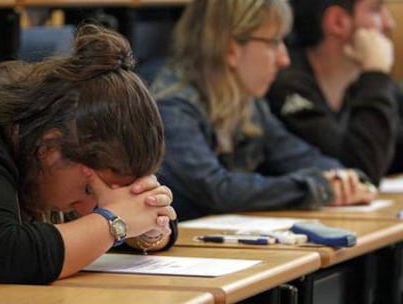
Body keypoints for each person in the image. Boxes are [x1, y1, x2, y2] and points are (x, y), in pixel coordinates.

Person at [151, 0, 377, 222]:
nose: (284, 59)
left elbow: (296, 155)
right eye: (274, 43)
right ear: (231, 48)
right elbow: (217, 191)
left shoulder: (247, 103)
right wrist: (315, 187)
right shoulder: (172, 106)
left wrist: (343, 178)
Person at [0, 23, 177, 284]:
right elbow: (3, 254)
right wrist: (115, 222)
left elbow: (86, 230)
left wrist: (148, 226)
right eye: (89, 190)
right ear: (50, 149)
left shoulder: (48, 156)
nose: (91, 209)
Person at [267, 0, 398, 185]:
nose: (389, 23)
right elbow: (360, 172)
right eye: (376, 10)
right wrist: (375, 73)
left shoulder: (360, 85)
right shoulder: (286, 85)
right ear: (337, 22)